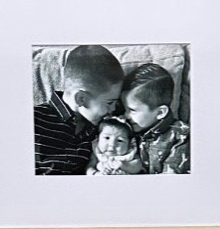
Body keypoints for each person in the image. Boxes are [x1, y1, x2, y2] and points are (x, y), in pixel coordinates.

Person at [34, 45, 124, 175]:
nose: (113, 109)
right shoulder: (34, 120)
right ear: (81, 99)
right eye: (110, 102)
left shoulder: (102, 127)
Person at [120, 62, 190, 174]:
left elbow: (172, 180)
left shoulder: (181, 136)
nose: (125, 115)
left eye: (132, 110)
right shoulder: (126, 128)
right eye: (124, 108)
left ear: (160, 112)